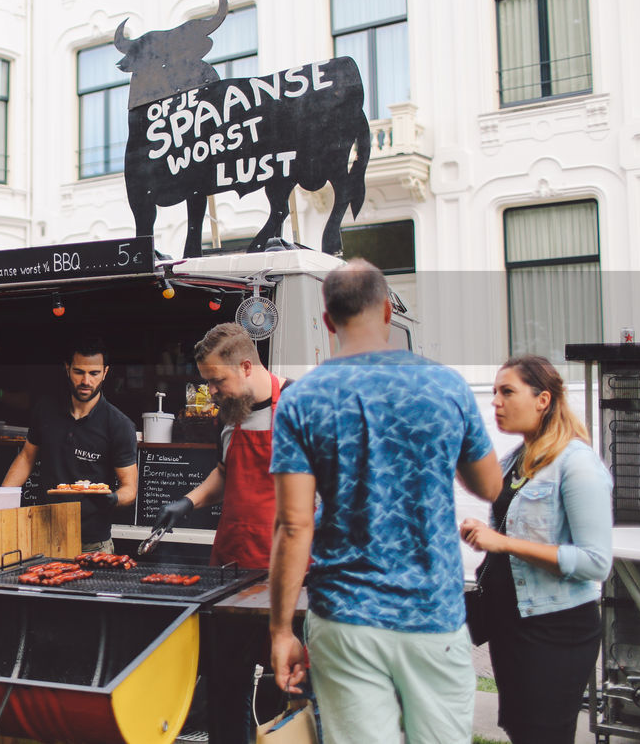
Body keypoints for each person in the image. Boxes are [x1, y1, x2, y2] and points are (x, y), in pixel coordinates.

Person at [268, 259, 502, 744]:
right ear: (388, 314)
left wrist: (280, 632)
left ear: (328, 320)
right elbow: (490, 486)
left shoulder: (301, 399)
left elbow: (293, 526)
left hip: (345, 618)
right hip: (433, 613)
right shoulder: (447, 387)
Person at [460, 355, 611, 744]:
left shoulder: (577, 464)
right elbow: (499, 509)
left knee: (543, 735)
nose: (496, 401)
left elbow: (595, 563)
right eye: (493, 391)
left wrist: (504, 543)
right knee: (521, 730)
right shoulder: (516, 460)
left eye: (507, 391)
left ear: (542, 399)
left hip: (554, 629)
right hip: (509, 621)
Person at [153, 322, 291, 569]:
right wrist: (188, 501)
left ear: (246, 367)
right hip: (232, 559)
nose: (212, 391)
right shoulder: (228, 414)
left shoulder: (299, 405)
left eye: (217, 380)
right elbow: (226, 473)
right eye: (207, 382)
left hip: (285, 563)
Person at [1, 338, 137, 553]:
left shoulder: (118, 425)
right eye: (78, 372)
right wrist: (2, 500)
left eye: (93, 373)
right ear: (67, 369)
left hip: (93, 543)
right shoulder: (46, 409)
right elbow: (27, 458)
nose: (86, 380)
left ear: (105, 372)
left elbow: (129, 488)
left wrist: (112, 499)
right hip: (44, 535)